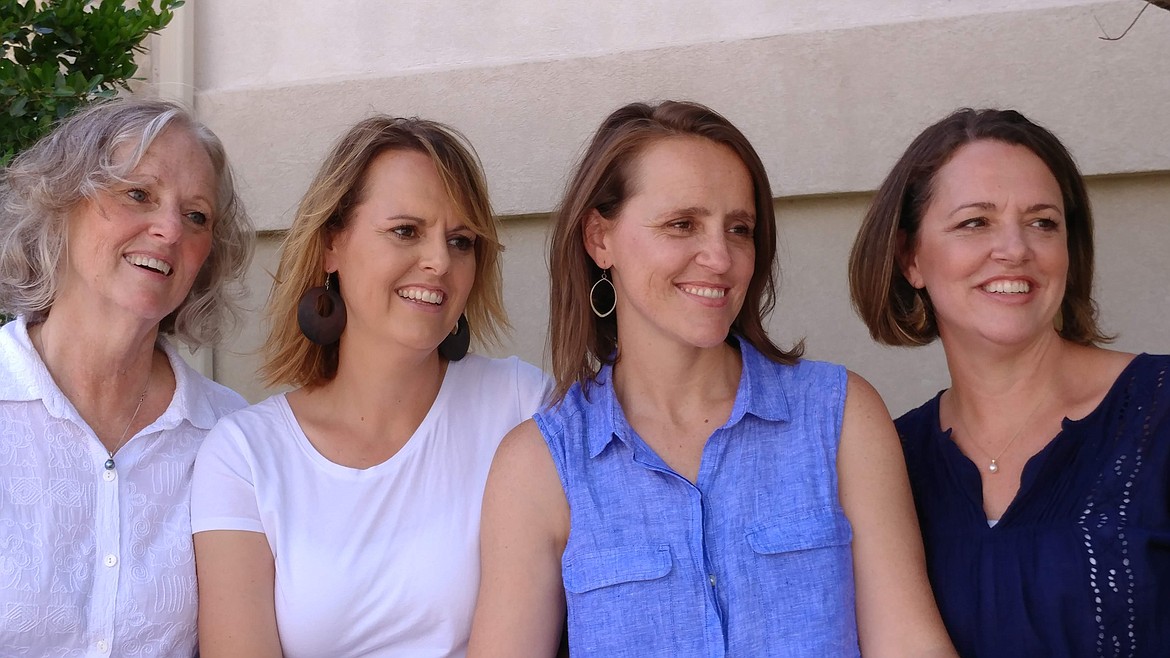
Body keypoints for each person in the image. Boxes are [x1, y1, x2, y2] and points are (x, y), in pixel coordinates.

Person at [466, 100, 957, 658]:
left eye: (739, 229)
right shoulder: (540, 464)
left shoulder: (840, 416)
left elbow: (910, 643)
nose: (720, 257)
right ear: (600, 239)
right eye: (682, 224)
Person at [191, 116, 550, 657]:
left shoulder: (522, 406)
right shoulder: (245, 454)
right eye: (406, 231)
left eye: (461, 241)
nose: (439, 262)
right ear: (332, 244)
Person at [848, 108, 1170, 657]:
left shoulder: (1159, 411)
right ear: (910, 259)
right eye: (975, 222)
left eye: (1043, 222)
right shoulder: (889, 459)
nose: (1016, 249)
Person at [0, 97, 254, 656]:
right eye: (138, 194)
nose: (168, 230)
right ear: (61, 200)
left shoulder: (230, 437)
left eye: (196, 216)